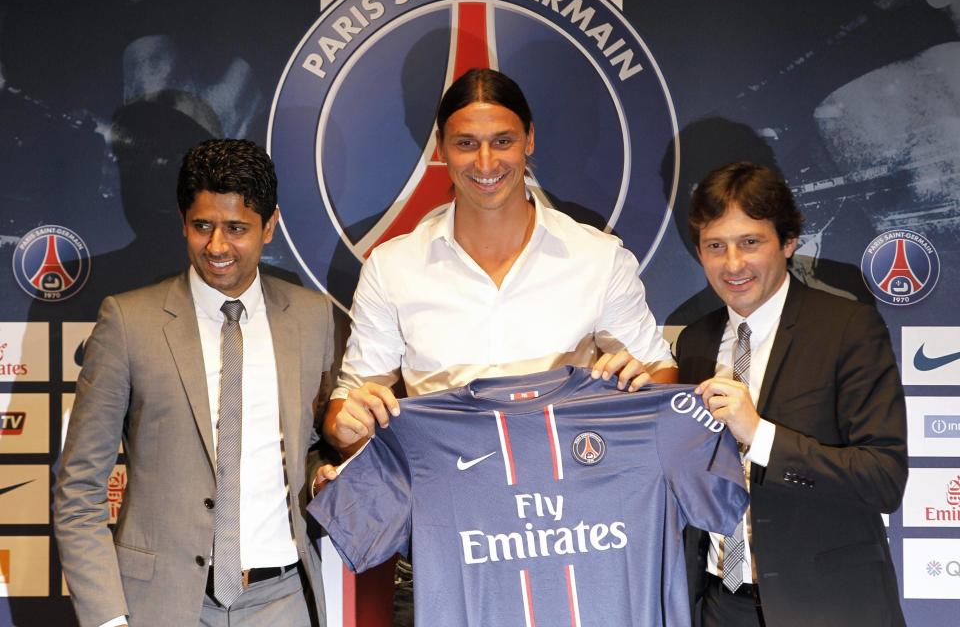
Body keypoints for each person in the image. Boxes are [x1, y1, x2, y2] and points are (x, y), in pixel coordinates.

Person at [322, 68, 677, 622]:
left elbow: (661, 377)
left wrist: (637, 384)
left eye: (502, 142)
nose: (485, 165)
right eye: (466, 144)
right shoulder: (393, 268)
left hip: (571, 533)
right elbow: (349, 405)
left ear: (529, 140)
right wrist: (347, 425)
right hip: (444, 539)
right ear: (441, 148)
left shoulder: (598, 257)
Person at [55, 139, 336, 627]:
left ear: (269, 227)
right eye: (203, 226)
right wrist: (107, 619)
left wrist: (320, 473)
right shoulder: (128, 321)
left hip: (283, 599)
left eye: (237, 228)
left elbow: (312, 444)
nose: (217, 246)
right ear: (184, 222)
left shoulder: (312, 318)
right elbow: (79, 488)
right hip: (158, 605)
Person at [676, 161, 907, 627]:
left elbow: (883, 478)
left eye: (750, 243)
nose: (733, 264)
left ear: (788, 243)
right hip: (718, 603)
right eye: (715, 246)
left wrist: (760, 436)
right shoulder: (695, 341)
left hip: (825, 605)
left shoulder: (848, 328)